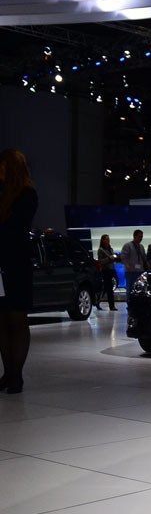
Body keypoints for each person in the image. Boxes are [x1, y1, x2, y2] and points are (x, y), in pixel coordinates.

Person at [0, 149, 39, 394]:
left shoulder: (27, 194)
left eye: (3, 166)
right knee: (2, 320)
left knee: (17, 319)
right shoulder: (1, 193)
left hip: (16, 265)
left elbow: (16, 229)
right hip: (1, 265)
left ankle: (17, 376)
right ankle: (8, 373)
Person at [95, 233, 118, 310]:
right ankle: (111, 306)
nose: (108, 240)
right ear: (103, 240)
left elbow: (113, 259)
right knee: (109, 288)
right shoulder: (101, 250)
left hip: (111, 269)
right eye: (107, 239)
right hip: (105, 271)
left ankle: (98, 301)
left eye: (108, 239)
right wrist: (109, 258)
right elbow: (100, 262)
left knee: (106, 288)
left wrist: (115, 258)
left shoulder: (110, 249)